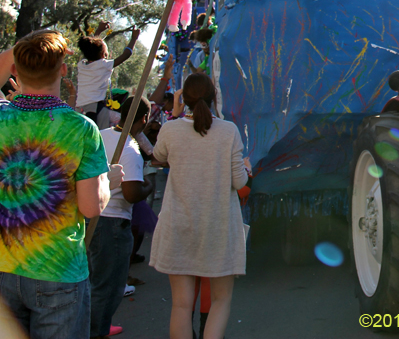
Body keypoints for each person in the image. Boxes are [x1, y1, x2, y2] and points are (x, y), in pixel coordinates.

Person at [0, 32, 122, 339]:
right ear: (64, 69)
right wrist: (107, 182)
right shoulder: (81, 129)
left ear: (15, 69)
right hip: (60, 271)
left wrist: (28, 47)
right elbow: (91, 207)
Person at [150, 73, 250, 339]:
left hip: (178, 226)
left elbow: (158, 156)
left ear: (185, 99)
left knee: (181, 305)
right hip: (218, 227)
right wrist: (246, 168)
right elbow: (239, 181)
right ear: (213, 95)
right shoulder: (228, 131)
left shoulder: (170, 129)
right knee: (220, 301)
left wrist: (174, 113)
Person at [89, 96, 153, 339]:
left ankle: (96, 325)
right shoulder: (129, 149)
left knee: (92, 280)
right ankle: (97, 330)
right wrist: (146, 187)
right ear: (144, 119)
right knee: (109, 285)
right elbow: (131, 192)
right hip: (113, 222)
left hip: (89, 215)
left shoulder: (100, 134)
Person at [75, 23, 140, 130]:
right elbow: (126, 55)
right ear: (103, 55)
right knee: (124, 122)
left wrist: (99, 30)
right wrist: (133, 39)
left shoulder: (82, 65)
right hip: (96, 108)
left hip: (80, 108)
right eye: (106, 53)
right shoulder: (103, 65)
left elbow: (90, 47)